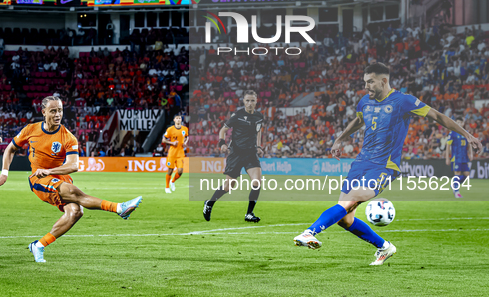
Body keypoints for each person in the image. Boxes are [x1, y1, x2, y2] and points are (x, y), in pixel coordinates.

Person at [293, 62, 482, 265]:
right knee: (345, 219)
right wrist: (339, 139)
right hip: (360, 162)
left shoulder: (404, 101)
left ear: (384, 81)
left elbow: (437, 116)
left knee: (349, 201)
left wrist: (467, 134)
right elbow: (359, 121)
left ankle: (309, 232)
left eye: (370, 82)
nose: (366, 87)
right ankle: (384, 247)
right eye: (365, 82)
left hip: (384, 166)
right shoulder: (365, 101)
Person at [0, 96, 142, 263]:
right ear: (43, 112)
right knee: (73, 192)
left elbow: (73, 165)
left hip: (58, 177)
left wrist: (50, 170)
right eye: (53, 111)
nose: (58, 115)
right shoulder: (30, 130)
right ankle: (119, 208)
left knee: (75, 212)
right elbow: (10, 149)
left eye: (60, 111)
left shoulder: (68, 137)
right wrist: (4, 173)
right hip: (38, 180)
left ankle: (39, 245)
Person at [202, 90, 264, 223]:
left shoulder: (259, 116)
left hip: (251, 154)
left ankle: (249, 213)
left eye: (252, 100)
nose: (250, 103)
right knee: (228, 186)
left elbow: (258, 131)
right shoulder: (238, 115)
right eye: (247, 100)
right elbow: (223, 130)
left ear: (256, 101)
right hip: (236, 153)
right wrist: (222, 143)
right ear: (243, 101)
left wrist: (258, 146)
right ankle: (209, 203)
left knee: (257, 182)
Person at [445, 116, 473, 198]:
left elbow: (470, 144)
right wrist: (447, 157)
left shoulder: (466, 133)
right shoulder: (452, 133)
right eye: (457, 122)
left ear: (463, 123)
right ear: (455, 123)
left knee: (467, 175)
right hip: (456, 157)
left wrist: (471, 154)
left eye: (460, 122)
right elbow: (448, 146)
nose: (459, 124)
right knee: (457, 174)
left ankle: (454, 184)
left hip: (464, 157)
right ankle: (456, 192)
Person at [161, 115, 189, 193]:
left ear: (181, 120)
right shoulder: (170, 129)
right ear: (174, 120)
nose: (178, 120)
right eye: (176, 118)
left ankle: (172, 181)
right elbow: (163, 140)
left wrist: (185, 142)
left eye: (179, 118)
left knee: (180, 171)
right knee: (170, 170)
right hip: (172, 153)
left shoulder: (185, 129)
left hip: (180, 153)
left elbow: (186, 137)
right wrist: (171, 143)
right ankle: (167, 187)